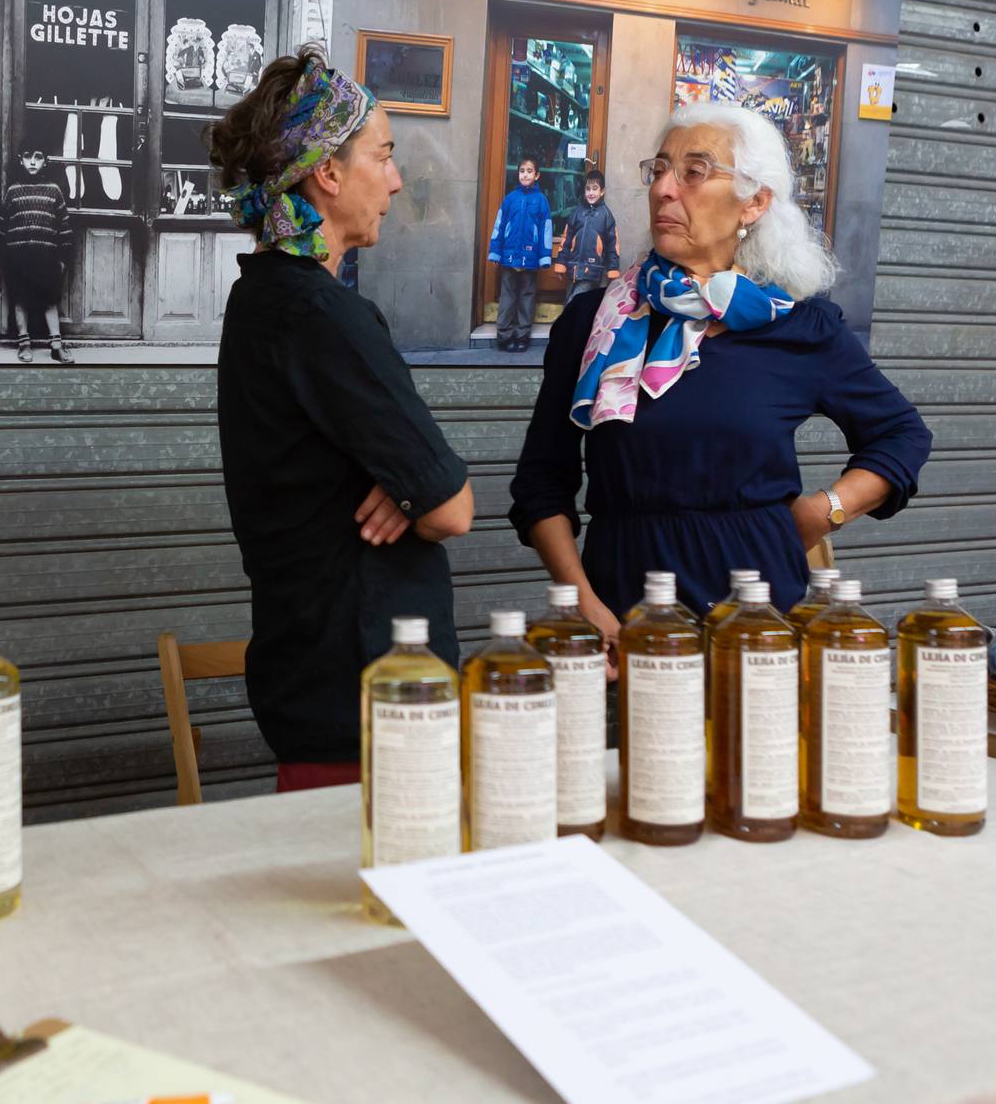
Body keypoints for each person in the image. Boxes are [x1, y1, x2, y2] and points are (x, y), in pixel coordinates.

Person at [508, 101, 932, 644]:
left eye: (695, 172)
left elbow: (900, 434)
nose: (664, 189)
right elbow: (542, 483)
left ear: (753, 203)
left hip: (761, 623)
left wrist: (820, 513)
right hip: (625, 619)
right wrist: (582, 603)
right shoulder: (596, 324)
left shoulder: (799, 327)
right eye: (660, 169)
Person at [213, 46, 475, 789]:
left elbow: (356, 474)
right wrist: (414, 489)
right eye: (383, 157)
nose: (396, 179)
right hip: (363, 708)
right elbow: (453, 507)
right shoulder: (320, 312)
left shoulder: (261, 296)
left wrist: (402, 488)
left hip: (322, 686)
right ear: (327, 174)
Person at [0, 146, 74, 364]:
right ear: (21, 160)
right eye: (28, 156)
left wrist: (62, 259)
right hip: (19, 258)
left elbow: (65, 227)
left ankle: (56, 346)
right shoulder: (13, 191)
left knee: (49, 300)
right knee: (21, 299)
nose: (33, 162)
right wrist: (8, 258)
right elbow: (3, 227)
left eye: (38, 157)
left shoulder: (53, 190)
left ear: (45, 161)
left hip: (46, 257)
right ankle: (24, 344)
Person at [487, 156, 552, 351]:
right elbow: (499, 226)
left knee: (527, 296)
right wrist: (495, 252)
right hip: (509, 258)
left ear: (537, 175)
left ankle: (522, 335)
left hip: (530, 259)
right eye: (522, 170)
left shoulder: (541, 201)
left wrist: (545, 256)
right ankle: (504, 335)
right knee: (507, 297)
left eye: (529, 171)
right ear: (518, 174)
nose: (525, 174)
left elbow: (546, 230)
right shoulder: (510, 199)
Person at [554, 167, 620, 303]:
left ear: (602, 191)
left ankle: (569, 323)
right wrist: (561, 263)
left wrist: (613, 269)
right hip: (573, 268)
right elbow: (566, 239)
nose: (591, 193)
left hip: (592, 270)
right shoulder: (577, 212)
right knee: (569, 299)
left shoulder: (606, 215)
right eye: (588, 189)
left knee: (575, 300)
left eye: (595, 188)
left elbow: (613, 244)